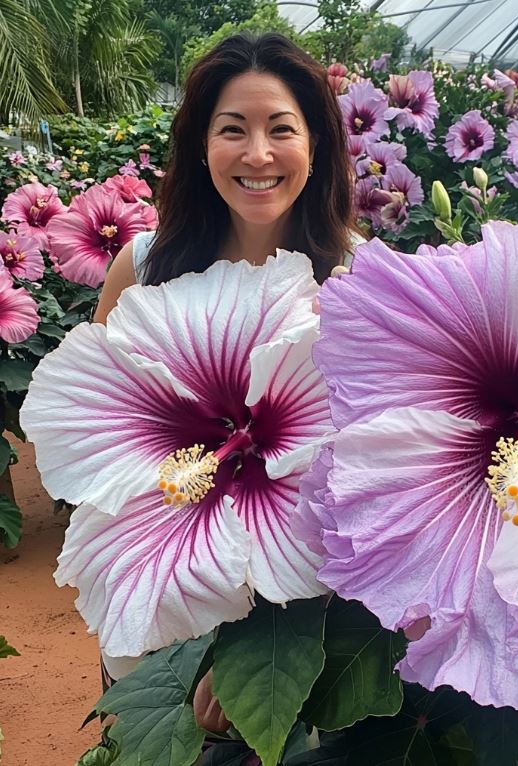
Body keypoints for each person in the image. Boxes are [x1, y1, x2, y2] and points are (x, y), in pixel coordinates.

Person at [92, 31, 360, 760]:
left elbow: (380, 475)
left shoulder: (360, 283)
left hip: (306, 605)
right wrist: (197, 645)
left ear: (317, 146)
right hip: (165, 573)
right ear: (200, 145)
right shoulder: (144, 268)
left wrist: (248, 656)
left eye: (281, 129)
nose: (258, 155)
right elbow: (104, 436)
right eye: (232, 130)